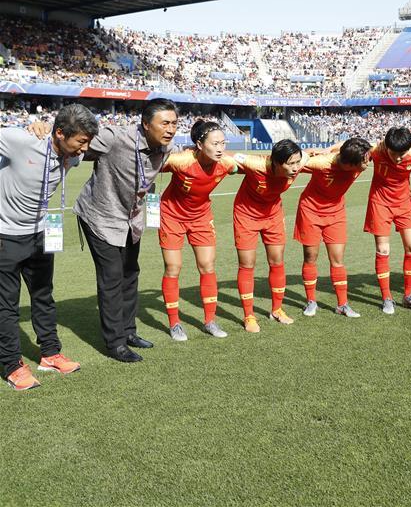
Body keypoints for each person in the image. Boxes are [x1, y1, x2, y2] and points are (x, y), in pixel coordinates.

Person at [74, 99, 179, 363]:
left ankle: (129, 331)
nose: (171, 129)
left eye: (174, 123)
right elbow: (76, 146)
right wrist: (43, 130)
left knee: (130, 274)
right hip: (100, 216)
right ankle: (115, 342)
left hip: (131, 220)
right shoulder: (114, 138)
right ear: (145, 124)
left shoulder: (166, 148)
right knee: (111, 277)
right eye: (164, 123)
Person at [0, 104, 96, 390]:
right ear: (59, 133)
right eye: (80, 141)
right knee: (6, 306)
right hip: (5, 235)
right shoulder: (21, 141)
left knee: (43, 296)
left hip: (41, 234)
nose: (84, 149)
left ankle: (50, 354)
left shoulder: (73, 156)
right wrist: (31, 124)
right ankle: (12, 365)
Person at [159, 120, 239, 341]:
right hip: (172, 215)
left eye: (223, 143)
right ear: (199, 144)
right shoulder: (181, 161)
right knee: (173, 267)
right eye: (215, 143)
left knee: (207, 266)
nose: (221, 148)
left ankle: (209, 321)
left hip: (201, 217)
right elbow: (150, 163)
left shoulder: (225, 164)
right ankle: (175, 323)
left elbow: (253, 165)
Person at [233, 139, 306, 333]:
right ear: (275, 162)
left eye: (297, 162)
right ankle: (249, 315)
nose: (295, 167)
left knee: (277, 261)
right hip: (246, 215)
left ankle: (277, 310)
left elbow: (318, 156)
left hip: (273, 214)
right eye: (290, 164)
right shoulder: (256, 164)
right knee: (247, 264)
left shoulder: (300, 163)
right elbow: (228, 158)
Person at [295, 137, 371, 318]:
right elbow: (293, 162)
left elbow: (351, 144)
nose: (369, 162)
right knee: (310, 257)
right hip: (310, 211)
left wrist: (329, 146)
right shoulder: (322, 163)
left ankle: (342, 304)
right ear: (350, 164)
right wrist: (309, 152)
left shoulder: (361, 155)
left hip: (336, 213)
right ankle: (311, 301)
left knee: (337, 259)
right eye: (365, 161)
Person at [365, 127, 411, 314]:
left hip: (404, 204)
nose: (397, 158)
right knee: (383, 249)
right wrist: (324, 151)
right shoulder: (376, 151)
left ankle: (408, 296)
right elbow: (350, 146)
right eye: (393, 153)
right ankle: (387, 298)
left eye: (401, 154)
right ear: (385, 146)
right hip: (380, 203)